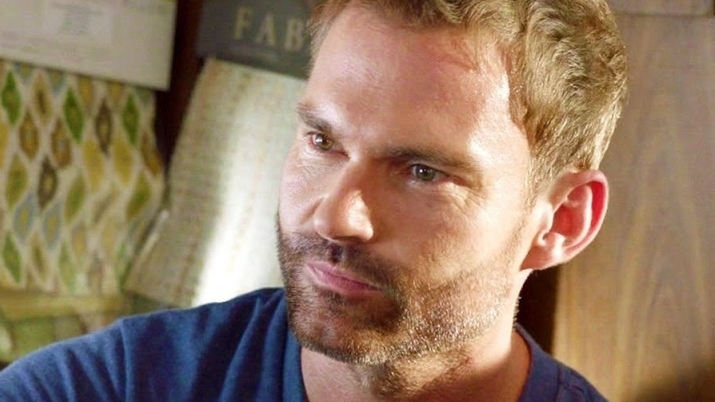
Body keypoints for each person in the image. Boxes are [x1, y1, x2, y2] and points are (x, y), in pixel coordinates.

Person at [0, 0, 626, 400]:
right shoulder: (102, 387)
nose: (334, 216)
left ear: (561, 222)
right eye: (323, 142)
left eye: (422, 172)